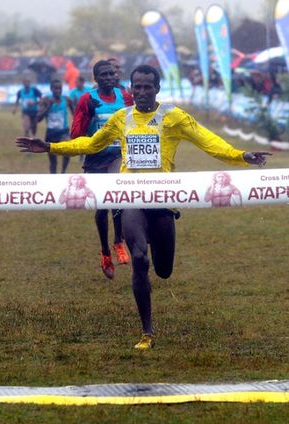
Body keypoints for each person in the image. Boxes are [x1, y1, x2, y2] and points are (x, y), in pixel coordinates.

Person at [17, 64, 272, 350]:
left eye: (147, 87)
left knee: (163, 270)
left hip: (162, 199)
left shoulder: (173, 116)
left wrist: (241, 155)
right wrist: (51, 147)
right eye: (136, 86)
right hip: (131, 197)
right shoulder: (121, 117)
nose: (141, 92)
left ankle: (154, 252)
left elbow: (208, 141)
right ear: (131, 88)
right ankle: (147, 331)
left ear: (157, 88)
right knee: (139, 259)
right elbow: (91, 144)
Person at [69, 60, 133, 279]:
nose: (108, 77)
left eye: (111, 74)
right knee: (101, 207)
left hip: (117, 155)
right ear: (95, 78)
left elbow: (134, 123)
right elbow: (76, 134)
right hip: (95, 158)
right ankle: (105, 252)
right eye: (103, 75)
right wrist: (88, 115)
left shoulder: (124, 96)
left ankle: (118, 241)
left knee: (118, 198)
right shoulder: (87, 99)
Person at [36, 79, 74, 174]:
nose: (58, 91)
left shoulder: (66, 100)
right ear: (51, 89)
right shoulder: (45, 100)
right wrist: (48, 106)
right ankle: (54, 177)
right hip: (51, 133)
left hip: (63, 131)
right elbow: (38, 119)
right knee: (53, 160)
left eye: (59, 88)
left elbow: (76, 114)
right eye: (55, 88)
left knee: (68, 151)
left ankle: (63, 172)